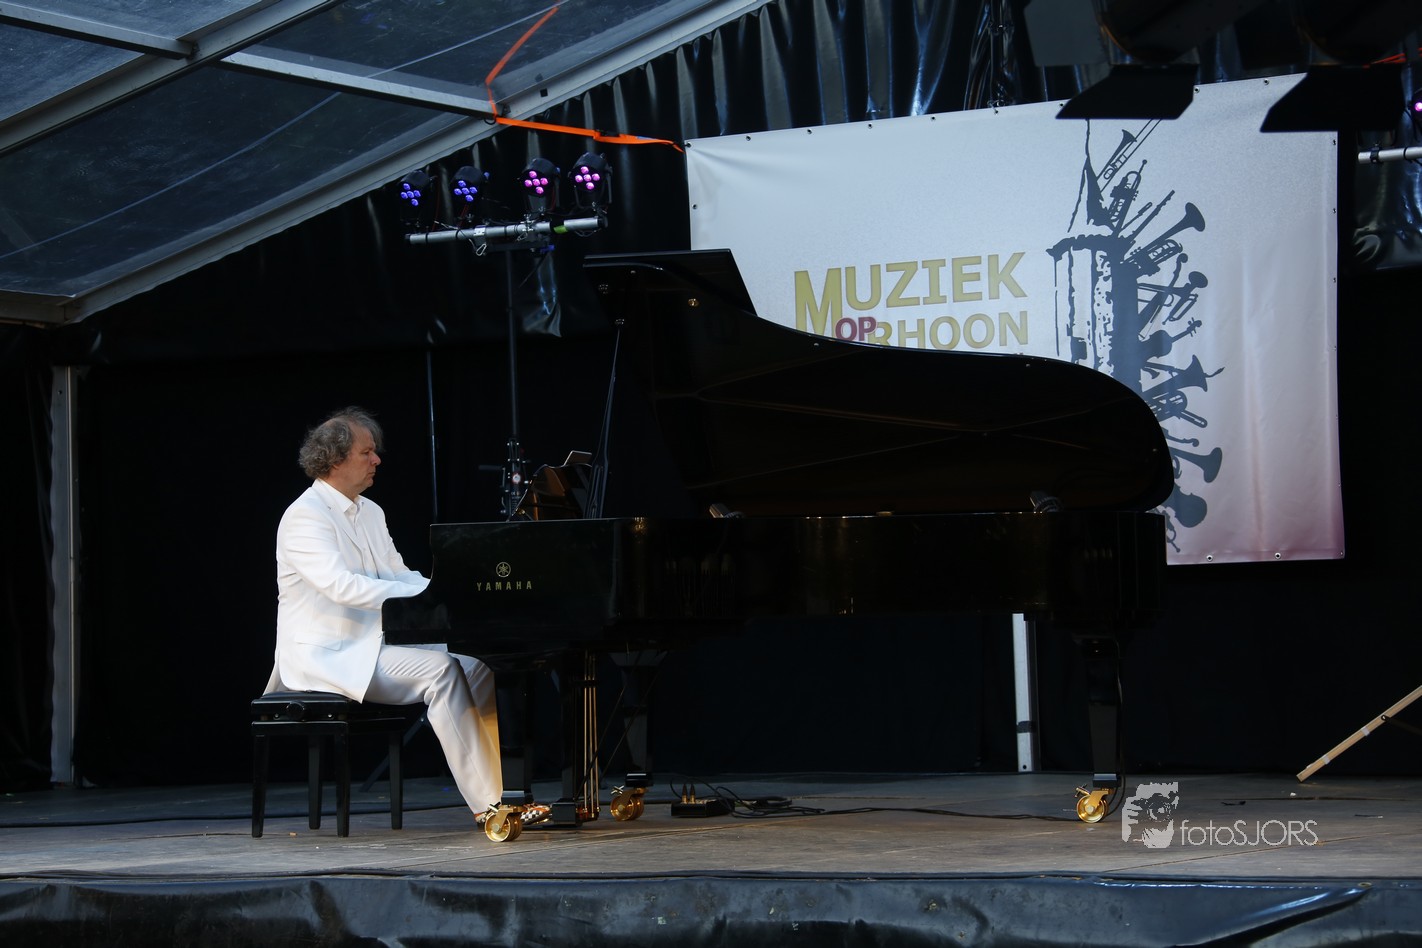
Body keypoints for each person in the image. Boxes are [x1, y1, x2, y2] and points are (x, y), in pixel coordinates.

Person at [264, 406, 530, 828]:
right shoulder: (304, 516)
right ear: (335, 460)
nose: (377, 460)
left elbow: (397, 573)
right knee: (441, 671)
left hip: (375, 644)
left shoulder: (370, 511)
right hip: (329, 654)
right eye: (366, 452)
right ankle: (490, 805)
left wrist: (445, 590)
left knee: (478, 666)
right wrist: (427, 596)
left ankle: (509, 790)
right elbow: (341, 586)